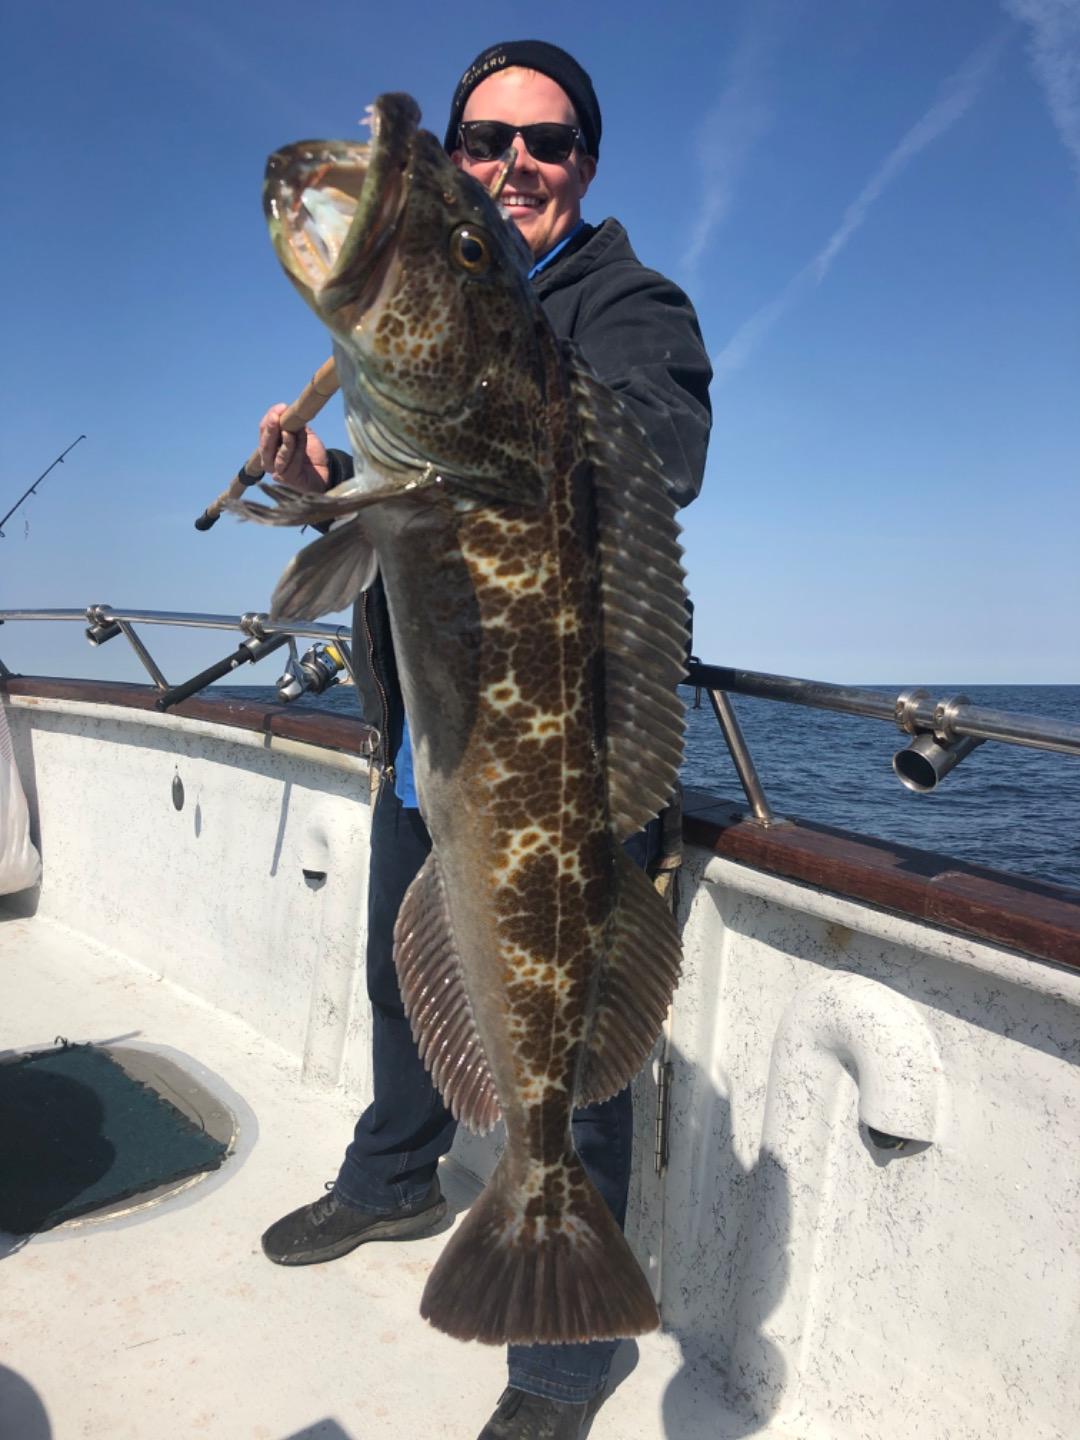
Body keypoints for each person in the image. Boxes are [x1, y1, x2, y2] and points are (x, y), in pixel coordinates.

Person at [256, 40, 712, 1440]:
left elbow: (657, 446)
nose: (515, 163)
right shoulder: (458, 327)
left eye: (548, 141)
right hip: (430, 727)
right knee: (410, 972)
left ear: (584, 162)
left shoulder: (629, 304)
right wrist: (333, 481)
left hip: (569, 749)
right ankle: (396, 1174)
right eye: (483, 142)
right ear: (457, 150)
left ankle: (566, 1351)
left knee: (567, 1041)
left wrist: (475, 391)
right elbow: (426, 481)